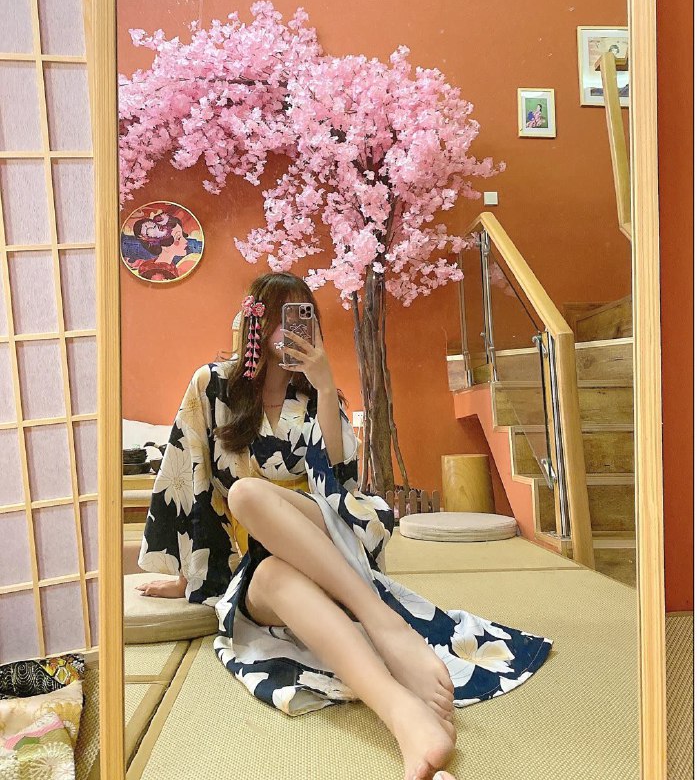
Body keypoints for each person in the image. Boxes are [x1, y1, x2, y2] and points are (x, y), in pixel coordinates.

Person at [136, 271, 553, 780]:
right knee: (266, 562)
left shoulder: (319, 394)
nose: (290, 329)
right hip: (259, 562)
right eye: (279, 316)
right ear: (255, 322)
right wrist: (188, 576)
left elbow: (337, 486)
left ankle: (383, 625)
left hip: (325, 541)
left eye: (302, 316)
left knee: (249, 494)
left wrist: (325, 382)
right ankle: (403, 716)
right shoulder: (212, 385)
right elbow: (188, 479)